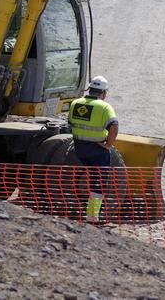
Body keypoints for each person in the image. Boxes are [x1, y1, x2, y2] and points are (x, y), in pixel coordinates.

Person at [69, 76, 119, 224]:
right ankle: (92, 216)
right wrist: (109, 145)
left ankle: (84, 211)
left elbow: (71, 123)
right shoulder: (104, 107)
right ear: (103, 92)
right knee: (98, 183)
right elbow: (114, 127)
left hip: (79, 148)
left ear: (90, 89)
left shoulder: (75, 103)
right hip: (97, 150)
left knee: (89, 178)